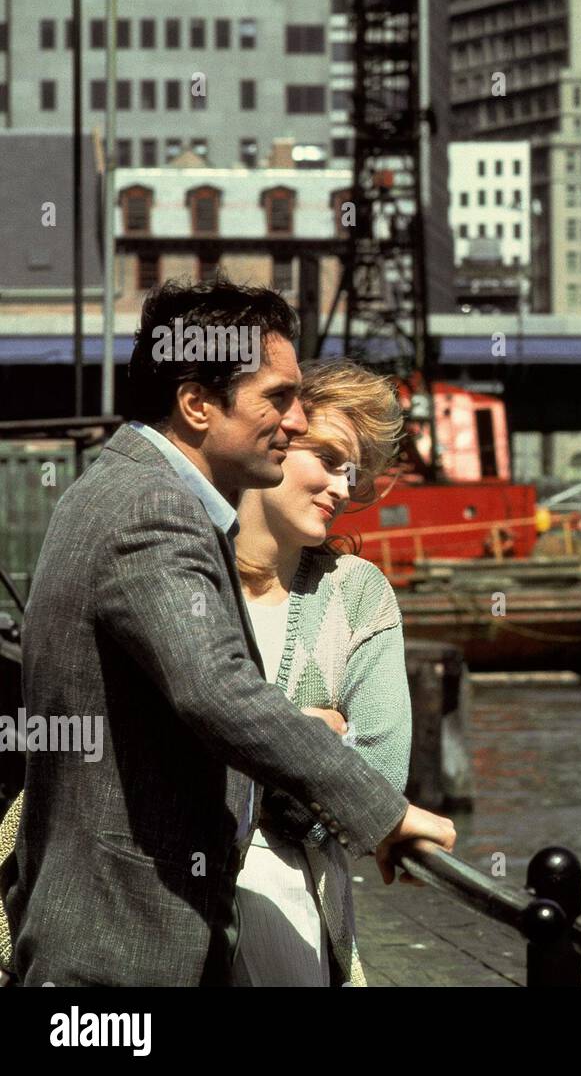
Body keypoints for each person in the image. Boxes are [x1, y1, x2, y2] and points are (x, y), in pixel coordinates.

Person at [2, 279, 454, 986]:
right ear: (197, 403)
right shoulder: (156, 507)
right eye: (278, 397)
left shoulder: (107, 487)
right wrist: (383, 814)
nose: (297, 419)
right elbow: (215, 690)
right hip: (123, 956)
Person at [230, 359, 410, 986]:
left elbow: (381, 774)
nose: (341, 488)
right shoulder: (179, 568)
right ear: (274, 434)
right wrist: (303, 739)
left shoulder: (358, 595)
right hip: (153, 906)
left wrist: (267, 763)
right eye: (329, 459)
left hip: (293, 912)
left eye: (351, 473)